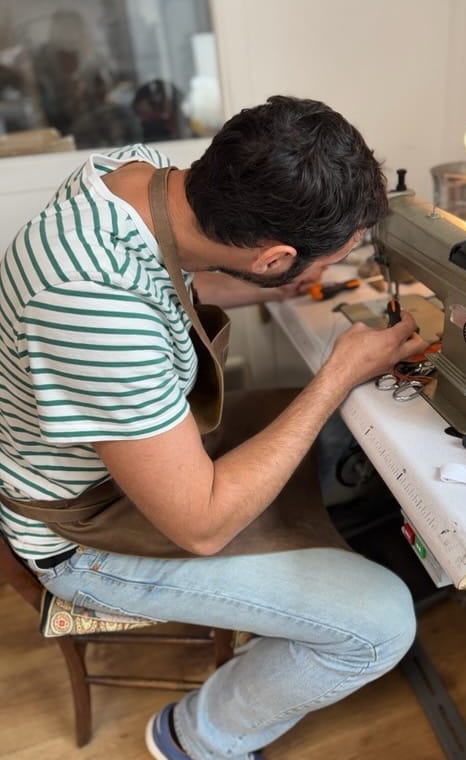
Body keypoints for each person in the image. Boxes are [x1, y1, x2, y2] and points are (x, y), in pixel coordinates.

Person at [0, 95, 426, 760]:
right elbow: (200, 524)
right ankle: (196, 737)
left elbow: (175, 278)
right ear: (272, 253)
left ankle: (285, 601)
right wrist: (335, 376)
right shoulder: (93, 304)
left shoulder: (134, 177)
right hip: (82, 538)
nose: (326, 275)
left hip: (134, 465)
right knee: (380, 627)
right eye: (323, 262)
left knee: (340, 433)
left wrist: (268, 291)